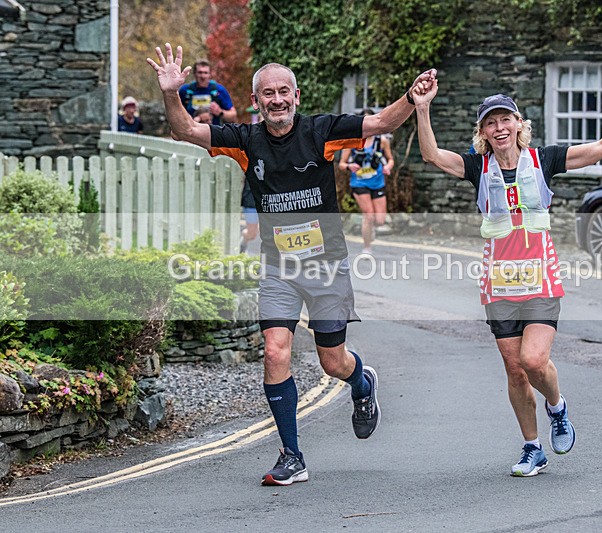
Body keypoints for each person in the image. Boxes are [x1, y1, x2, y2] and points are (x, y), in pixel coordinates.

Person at [147, 42, 436, 486]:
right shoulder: (245, 141)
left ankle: (362, 384)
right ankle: (292, 456)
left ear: (296, 96)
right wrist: (171, 92)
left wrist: (412, 98)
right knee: (275, 350)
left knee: (333, 363)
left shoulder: (322, 131)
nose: (277, 99)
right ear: (255, 100)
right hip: (279, 270)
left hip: (326, 267)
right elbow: (185, 129)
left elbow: (380, 123)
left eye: (284, 91)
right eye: (268, 93)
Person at [413, 73, 602, 476]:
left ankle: (557, 408)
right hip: (498, 285)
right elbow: (432, 155)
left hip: (540, 279)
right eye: (491, 123)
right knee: (514, 370)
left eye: (505, 119)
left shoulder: (544, 160)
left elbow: (599, 150)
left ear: (519, 124)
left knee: (534, 360)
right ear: (483, 132)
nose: (499, 128)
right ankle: (532, 448)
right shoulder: (478, 167)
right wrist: (422, 109)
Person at [338, 109, 394, 254]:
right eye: (365, 122)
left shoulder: (382, 141)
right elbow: (341, 164)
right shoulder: (352, 142)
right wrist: (349, 166)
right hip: (359, 183)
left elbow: (390, 160)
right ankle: (367, 247)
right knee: (368, 215)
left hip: (377, 182)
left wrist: (387, 167)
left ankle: (371, 229)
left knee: (380, 220)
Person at [178, 59, 237, 125]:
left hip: (214, 130)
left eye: (205, 73)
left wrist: (220, 112)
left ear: (210, 74)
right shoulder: (185, 91)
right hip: (191, 129)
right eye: (200, 72)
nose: (203, 76)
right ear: (194, 73)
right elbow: (175, 113)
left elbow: (233, 115)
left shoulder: (219, 90)